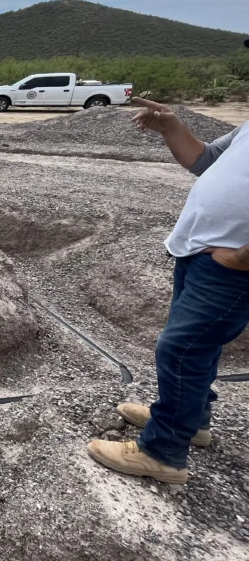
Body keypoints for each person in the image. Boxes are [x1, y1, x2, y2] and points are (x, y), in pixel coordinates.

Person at [87, 93, 249, 484]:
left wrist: (242, 258)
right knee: (199, 348)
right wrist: (172, 128)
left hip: (232, 265)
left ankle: (163, 452)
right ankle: (191, 422)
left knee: (181, 347)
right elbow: (206, 160)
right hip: (200, 251)